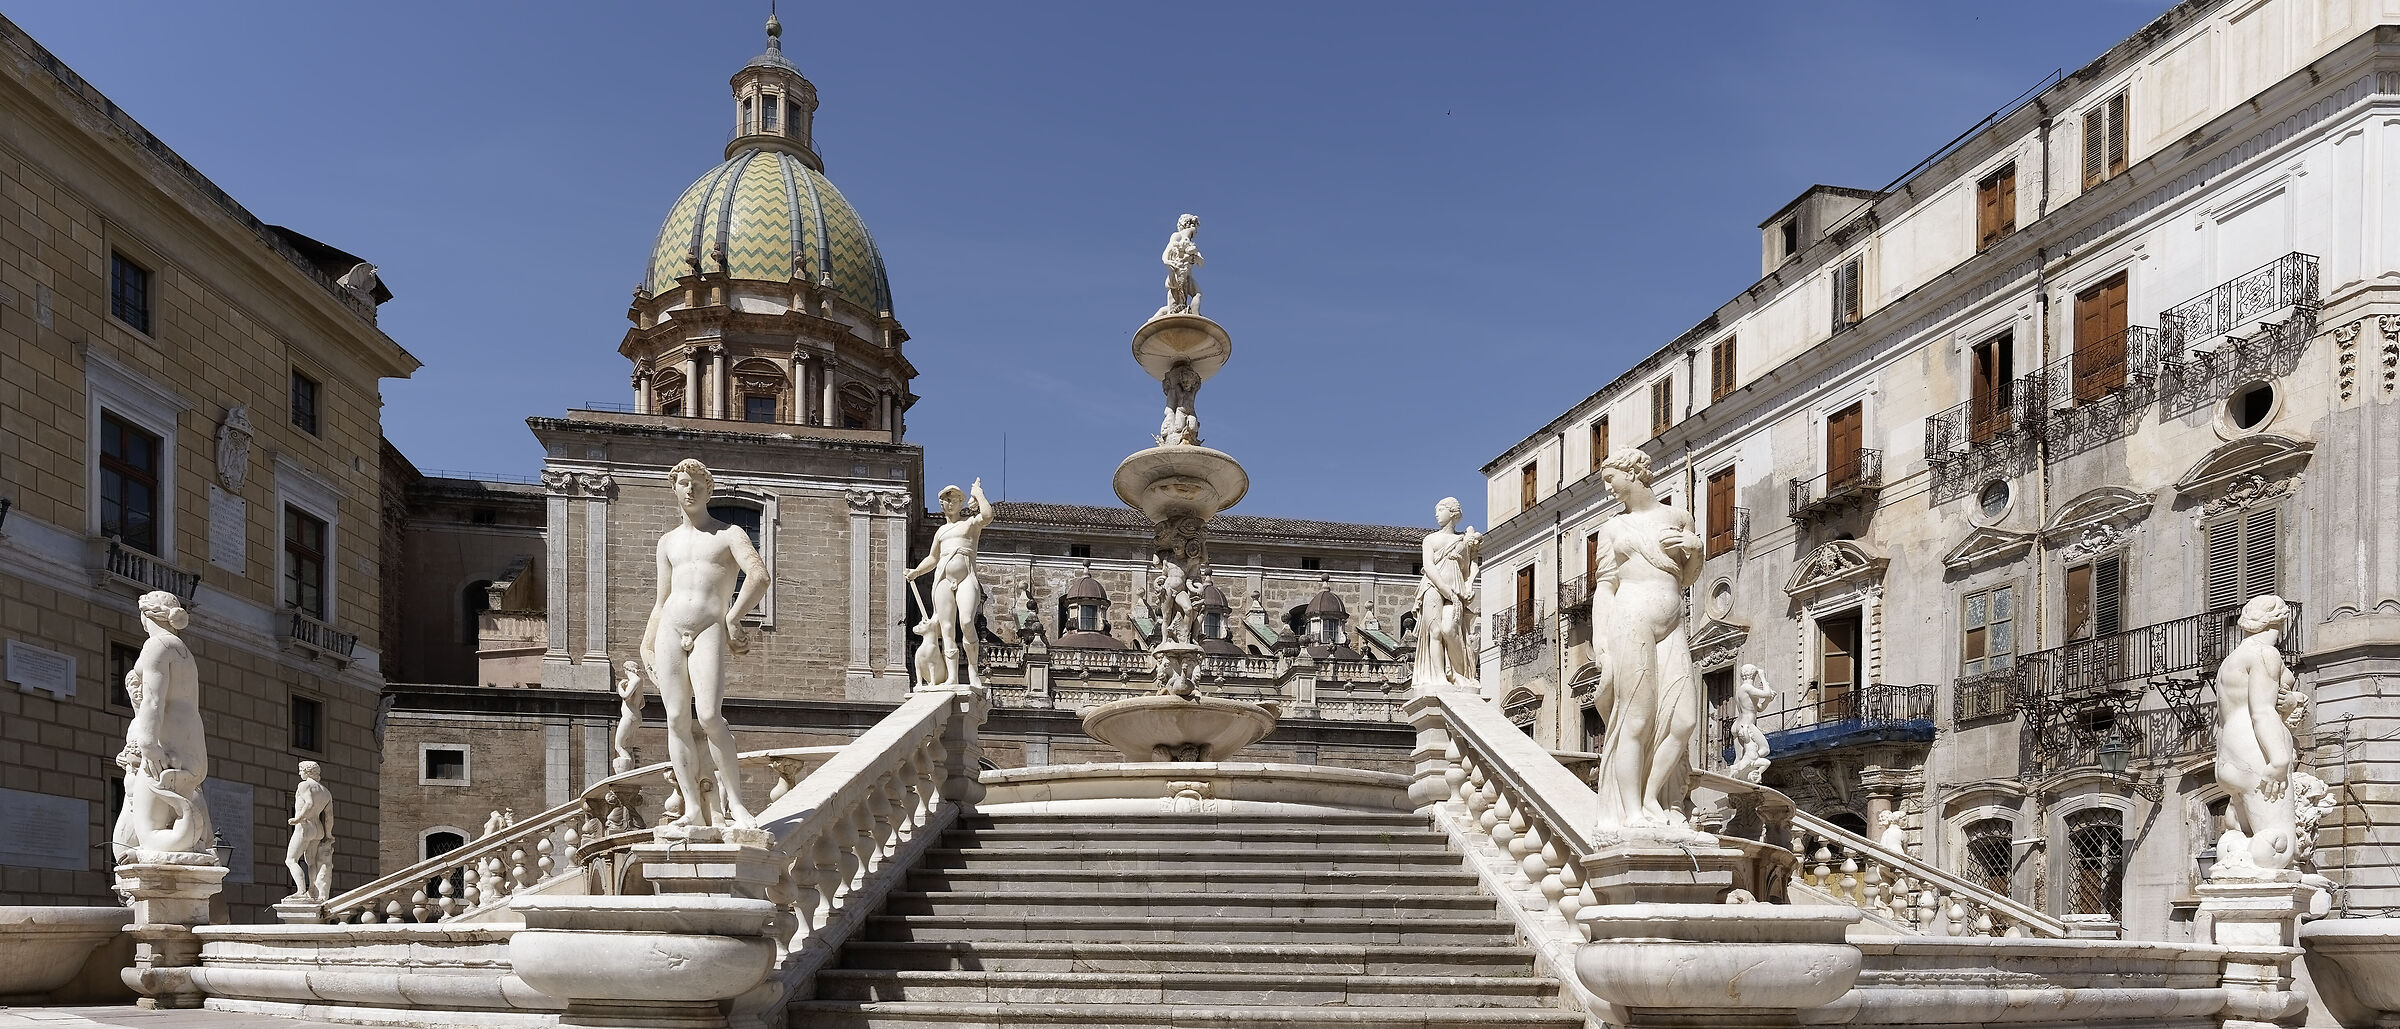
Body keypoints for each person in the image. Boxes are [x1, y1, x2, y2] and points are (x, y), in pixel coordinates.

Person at [640, 459, 768, 828]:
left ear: (709, 490)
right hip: (669, 630)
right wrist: (646, 644)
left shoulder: (728, 534)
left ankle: (737, 805)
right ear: (675, 489)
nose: (690, 489)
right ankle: (693, 810)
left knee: (710, 715)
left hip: (708, 627)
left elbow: (759, 576)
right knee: (677, 719)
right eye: (683, 483)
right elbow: (661, 599)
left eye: (697, 483)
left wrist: (733, 617)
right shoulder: (667, 542)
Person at [1588, 449, 1705, 831]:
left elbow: (1686, 577)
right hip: (1631, 617)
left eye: (1611, 478)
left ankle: (1652, 795)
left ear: (1633, 472)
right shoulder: (1612, 529)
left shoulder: (1678, 518)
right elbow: (1605, 586)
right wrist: (1600, 639)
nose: (1607, 488)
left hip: (1671, 620)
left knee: (1683, 719)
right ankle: (1632, 811)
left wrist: (1697, 551)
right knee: (1635, 720)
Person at [112, 590, 214, 860]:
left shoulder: (157, 646)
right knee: (167, 830)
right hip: (191, 743)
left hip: (165, 743)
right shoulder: (185, 654)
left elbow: (153, 701)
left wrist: (147, 745)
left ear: (147, 617)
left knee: (149, 836)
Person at [2212, 594, 2300, 876]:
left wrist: (2290, 703)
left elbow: (2228, 713)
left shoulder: (2231, 660)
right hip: (2257, 754)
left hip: (2229, 757)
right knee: (2278, 849)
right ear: (2279, 621)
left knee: (2236, 840)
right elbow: (2261, 712)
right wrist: (2279, 760)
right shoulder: (2265, 654)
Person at [906, 478, 996, 688]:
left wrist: (978, 493)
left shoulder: (969, 525)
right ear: (942, 504)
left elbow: (987, 515)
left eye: (954, 499)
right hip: (943, 580)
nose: (950, 503)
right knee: (946, 629)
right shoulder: (940, 532)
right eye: (946, 500)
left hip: (966, 578)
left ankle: (973, 670)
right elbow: (933, 558)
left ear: (961, 503)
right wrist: (916, 571)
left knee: (965, 622)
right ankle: (952, 677)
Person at [1411, 498, 1480, 690]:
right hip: (1433, 587)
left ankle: (1458, 673)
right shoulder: (1430, 539)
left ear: (1452, 513)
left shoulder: (1462, 541)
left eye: (1440, 510)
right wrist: (1443, 588)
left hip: (1456, 590)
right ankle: (1440, 676)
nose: (1436, 514)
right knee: (1435, 631)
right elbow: (1428, 566)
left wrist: (1469, 587)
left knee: (1450, 629)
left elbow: (1469, 567)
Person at [285, 761, 334, 900]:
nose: (299, 773)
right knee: (311, 862)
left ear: (307, 772)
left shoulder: (304, 785)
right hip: (318, 829)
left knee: (290, 860)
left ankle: (301, 891)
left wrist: (297, 818)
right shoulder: (326, 792)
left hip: (305, 826)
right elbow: (329, 817)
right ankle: (312, 890)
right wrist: (328, 834)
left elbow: (309, 803)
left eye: (301, 770)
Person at [1159, 213, 1203, 316]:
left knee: (1176, 307)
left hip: (1186, 276)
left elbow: (1201, 263)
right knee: (1174, 307)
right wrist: (1167, 261)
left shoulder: (1191, 244)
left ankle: (1194, 316)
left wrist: (1195, 257)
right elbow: (1166, 252)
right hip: (1177, 274)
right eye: (1195, 227)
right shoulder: (1177, 236)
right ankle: (1195, 317)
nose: (1195, 231)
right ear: (1190, 225)